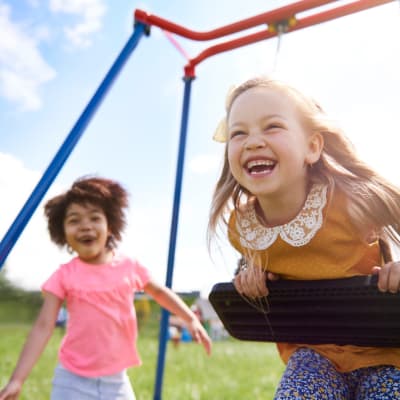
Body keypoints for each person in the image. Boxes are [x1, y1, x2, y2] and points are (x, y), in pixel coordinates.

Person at [208, 76, 400, 399]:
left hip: (384, 354)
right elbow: (262, 264)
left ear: (312, 146)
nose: (253, 141)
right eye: (239, 133)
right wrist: (250, 279)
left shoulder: (351, 201)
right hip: (313, 356)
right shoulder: (242, 227)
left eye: (272, 127)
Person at [0, 176, 212, 400]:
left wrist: (190, 319)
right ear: (62, 232)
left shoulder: (129, 267)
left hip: (116, 382)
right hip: (71, 380)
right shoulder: (64, 275)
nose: (85, 226)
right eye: (74, 220)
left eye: (94, 218)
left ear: (109, 226)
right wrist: (17, 379)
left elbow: (160, 293)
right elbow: (43, 326)